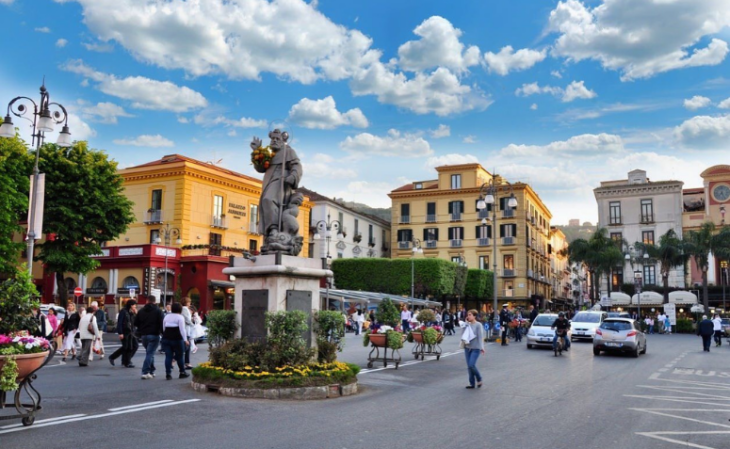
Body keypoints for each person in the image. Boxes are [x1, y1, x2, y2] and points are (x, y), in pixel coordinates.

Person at [135, 295, 164, 379]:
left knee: (149, 353)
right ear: (155, 301)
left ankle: (152, 370)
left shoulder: (141, 311)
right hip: (154, 334)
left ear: (147, 301)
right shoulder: (158, 311)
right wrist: (162, 333)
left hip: (144, 335)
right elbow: (162, 323)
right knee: (150, 353)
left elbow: (136, 322)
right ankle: (145, 371)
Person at [160, 302, 190, 380]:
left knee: (168, 356)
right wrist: (185, 340)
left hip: (166, 338)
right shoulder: (180, 317)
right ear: (180, 309)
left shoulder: (166, 316)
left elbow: (163, 328)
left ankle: (168, 374)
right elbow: (182, 330)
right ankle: (182, 372)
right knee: (180, 356)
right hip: (177, 338)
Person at [109, 299, 138, 368]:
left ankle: (126, 360)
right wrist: (120, 332)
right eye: (134, 306)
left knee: (134, 346)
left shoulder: (131, 312)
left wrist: (135, 314)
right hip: (125, 331)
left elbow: (135, 322)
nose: (135, 307)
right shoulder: (123, 311)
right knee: (127, 347)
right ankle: (118, 359)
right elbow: (120, 322)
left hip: (131, 332)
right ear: (131, 305)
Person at [462, 309, 485, 389]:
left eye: (470, 315)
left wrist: (482, 347)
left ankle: (479, 378)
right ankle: (472, 383)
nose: (468, 316)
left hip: (475, 348)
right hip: (467, 348)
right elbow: (463, 335)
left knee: (472, 365)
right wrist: (465, 324)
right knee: (469, 366)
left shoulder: (478, 325)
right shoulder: (467, 324)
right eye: (468, 315)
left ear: (474, 316)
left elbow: (480, 337)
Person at [180, 297, 194, 370]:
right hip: (185, 330)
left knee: (187, 347)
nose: (190, 303)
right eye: (189, 302)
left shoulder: (185, 309)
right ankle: (175, 359)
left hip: (186, 330)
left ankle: (187, 363)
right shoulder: (184, 309)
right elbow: (186, 319)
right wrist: (192, 324)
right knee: (186, 347)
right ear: (186, 302)